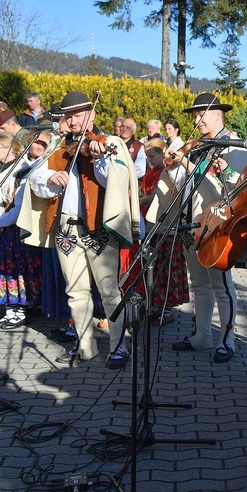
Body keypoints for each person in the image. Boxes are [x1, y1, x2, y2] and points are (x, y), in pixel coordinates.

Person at [20, 91, 140, 368]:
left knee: (109, 290)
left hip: (97, 227)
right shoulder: (58, 145)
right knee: (75, 291)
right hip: (65, 227)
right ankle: (85, 346)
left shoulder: (110, 143)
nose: (73, 121)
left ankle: (119, 345)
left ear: (92, 114)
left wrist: (100, 160)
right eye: (68, 116)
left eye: (78, 115)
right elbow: (35, 178)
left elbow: (117, 183)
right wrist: (51, 176)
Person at [167, 93, 247, 363]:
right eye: (194, 114)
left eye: (201, 113)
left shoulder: (236, 146)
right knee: (199, 285)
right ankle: (201, 336)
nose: (196, 119)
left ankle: (227, 340)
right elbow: (185, 183)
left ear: (218, 114)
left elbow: (237, 188)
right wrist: (173, 164)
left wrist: (186, 161)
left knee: (221, 285)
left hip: (217, 226)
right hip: (192, 223)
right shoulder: (198, 145)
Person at [140, 138, 189, 326]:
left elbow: (177, 191)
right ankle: (157, 307)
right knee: (157, 269)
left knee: (168, 270)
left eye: (152, 156)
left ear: (163, 152)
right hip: (156, 226)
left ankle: (167, 310)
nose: (150, 160)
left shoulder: (173, 169)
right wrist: (147, 198)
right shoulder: (157, 171)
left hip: (169, 227)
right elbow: (161, 193)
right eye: (147, 157)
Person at [0, 133, 42, 329]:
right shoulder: (6, 169)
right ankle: (14, 305)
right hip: (5, 229)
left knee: (15, 269)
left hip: (13, 230)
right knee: (8, 269)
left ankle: (18, 307)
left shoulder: (21, 171)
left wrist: (2, 221)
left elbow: (18, 207)